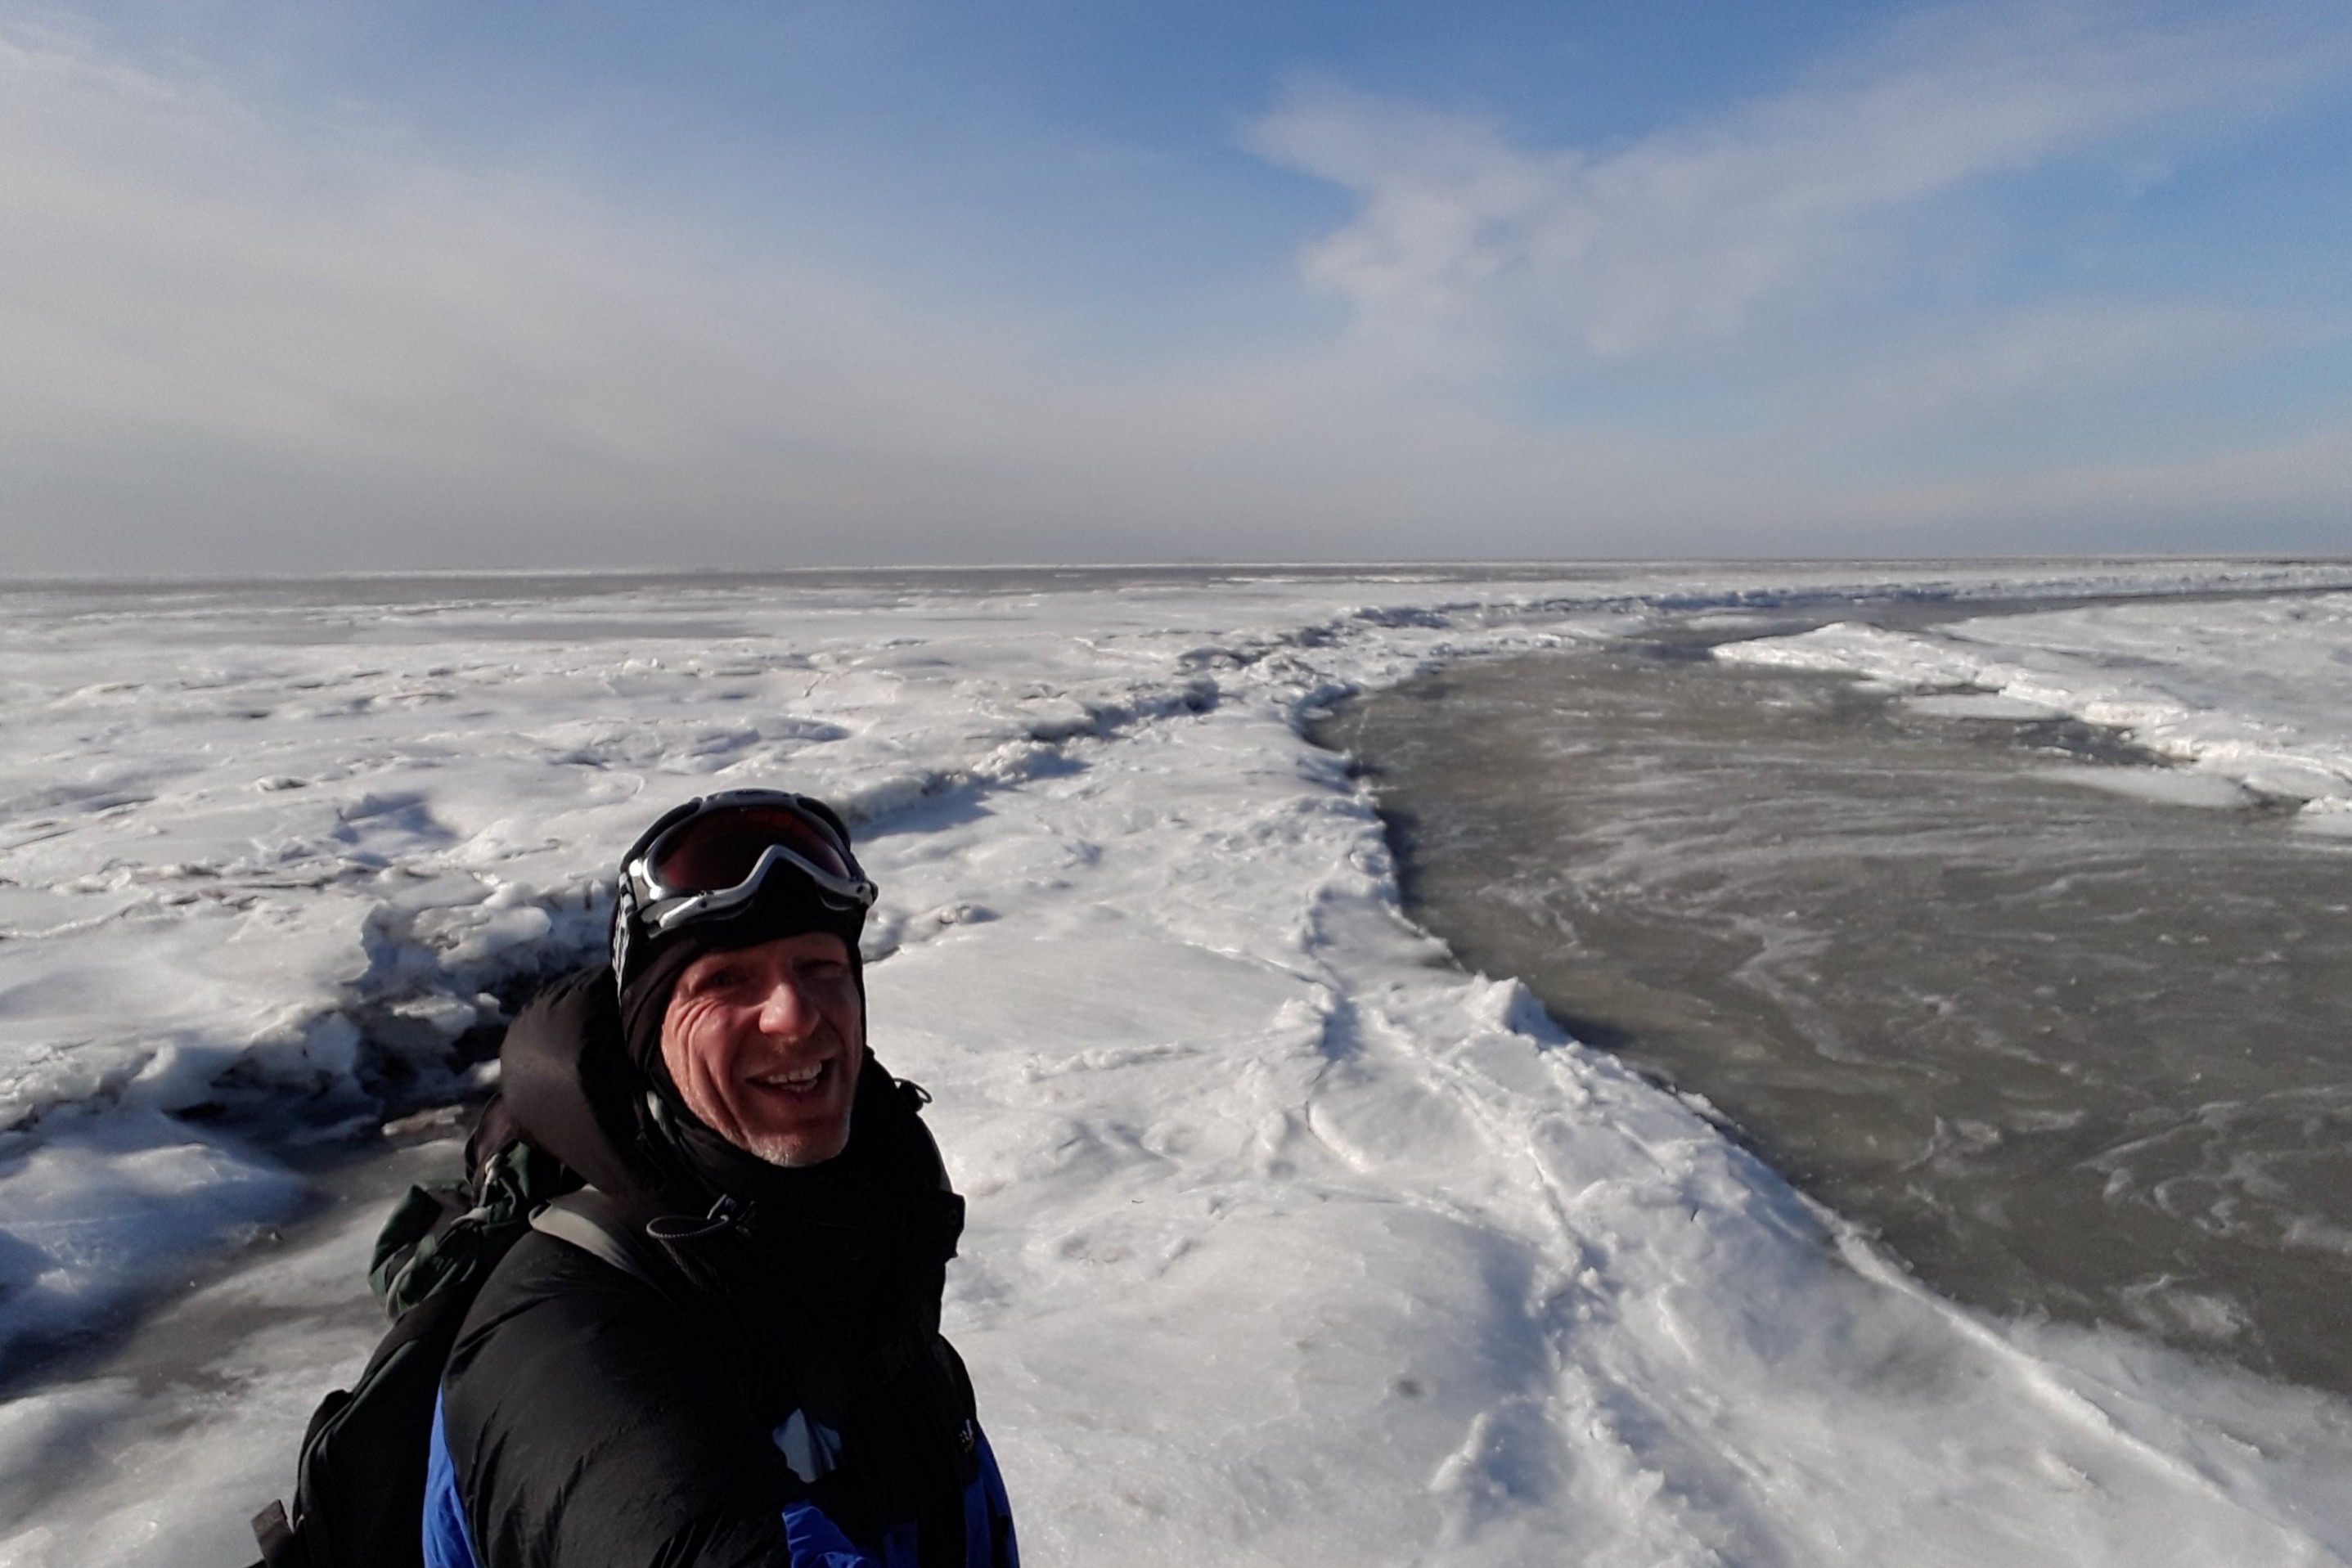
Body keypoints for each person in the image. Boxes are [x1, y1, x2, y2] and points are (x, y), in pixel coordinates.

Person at [423, 789, 1018, 1568]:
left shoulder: (854, 1248)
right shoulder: (569, 1338)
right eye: (726, 980)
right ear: (650, 1035)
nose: (793, 1015)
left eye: (818, 965)